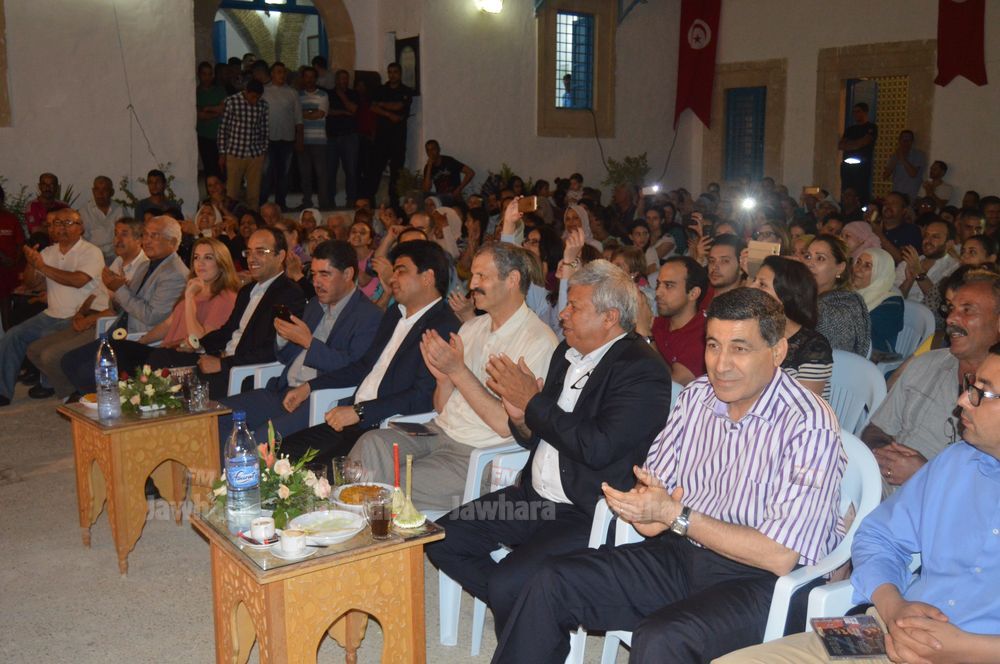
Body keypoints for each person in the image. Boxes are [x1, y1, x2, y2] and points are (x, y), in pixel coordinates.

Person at [492, 288, 845, 663]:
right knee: (550, 580)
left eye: (740, 349)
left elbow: (779, 555)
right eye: (713, 346)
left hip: (763, 582)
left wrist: (676, 515)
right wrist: (647, 507)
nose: (721, 364)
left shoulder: (809, 424)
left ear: (777, 352)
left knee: (662, 637)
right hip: (683, 553)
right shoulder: (697, 397)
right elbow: (653, 522)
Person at [428, 259, 672, 638]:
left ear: (609, 317)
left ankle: (524, 607)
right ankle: (530, 609)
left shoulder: (641, 369)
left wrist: (533, 403)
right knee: (441, 538)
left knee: (511, 582)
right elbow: (534, 436)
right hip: (533, 500)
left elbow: (597, 447)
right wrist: (522, 416)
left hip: (585, 510)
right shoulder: (566, 353)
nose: (563, 313)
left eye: (575, 306)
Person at [717, 344, 1000, 664]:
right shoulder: (957, 462)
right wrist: (893, 606)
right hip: (892, 629)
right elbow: (879, 536)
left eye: (983, 393)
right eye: (971, 386)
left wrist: (964, 648)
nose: (963, 400)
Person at [348, 242, 559, 511]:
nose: (472, 284)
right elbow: (441, 406)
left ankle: (370, 528)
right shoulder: (471, 327)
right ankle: (359, 525)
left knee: (392, 486)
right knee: (370, 446)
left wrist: (458, 371)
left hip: (476, 451)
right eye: (473, 275)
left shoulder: (538, 340)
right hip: (436, 432)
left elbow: (505, 425)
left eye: (482, 276)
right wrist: (444, 379)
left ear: (512, 280)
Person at [277, 240, 460, 467]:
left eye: (401, 271)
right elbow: (363, 366)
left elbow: (421, 396)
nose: (392, 279)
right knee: (281, 456)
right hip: (354, 421)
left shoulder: (444, 326)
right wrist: (310, 386)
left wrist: (361, 412)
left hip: (384, 428)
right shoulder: (394, 314)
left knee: (313, 473)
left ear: (427, 277)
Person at [220, 239, 380, 444]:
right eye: (314, 274)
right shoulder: (314, 305)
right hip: (283, 391)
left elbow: (353, 369)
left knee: (258, 441)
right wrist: (284, 337)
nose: (316, 282)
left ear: (348, 274)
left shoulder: (368, 316)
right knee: (217, 417)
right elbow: (286, 357)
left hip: (318, 400)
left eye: (325, 274)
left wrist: (309, 343)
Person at [862, 269, 1000, 495]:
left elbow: (986, 500)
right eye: (951, 308)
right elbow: (876, 429)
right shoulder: (927, 364)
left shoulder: (995, 400)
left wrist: (925, 475)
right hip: (877, 487)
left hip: (936, 507)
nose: (951, 319)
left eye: (967, 310)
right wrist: (886, 458)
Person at [60, 216, 189, 395]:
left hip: (143, 341)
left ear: (173, 242)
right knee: (69, 360)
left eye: (154, 236)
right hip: (121, 331)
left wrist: (120, 289)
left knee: (85, 370)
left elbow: (151, 316)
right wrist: (115, 289)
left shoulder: (175, 274)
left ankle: (103, 400)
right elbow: (125, 305)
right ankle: (95, 397)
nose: (147, 241)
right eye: (145, 235)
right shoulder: (146, 266)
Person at [27, 218, 148, 398]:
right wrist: (81, 313)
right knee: (34, 349)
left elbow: (122, 311)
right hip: (91, 316)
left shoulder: (143, 268)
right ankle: (74, 390)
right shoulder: (117, 262)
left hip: (109, 324)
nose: (117, 239)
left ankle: (74, 395)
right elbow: (94, 293)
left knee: (51, 356)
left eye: (124, 234)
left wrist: (90, 320)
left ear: (139, 239)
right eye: (116, 234)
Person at [0, 209, 108, 406]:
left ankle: (50, 383)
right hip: (50, 314)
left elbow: (78, 280)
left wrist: (42, 266)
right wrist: (32, 263)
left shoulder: (91, 252)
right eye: (58, 223)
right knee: (12, 336)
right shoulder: (48, 252)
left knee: (45, 339)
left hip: (77, 315)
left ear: (81, 228)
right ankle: (3, 392)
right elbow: (32, 283)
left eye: (68, 223)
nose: (62, 228)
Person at [186, 226, 305, 398]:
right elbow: (228, 331)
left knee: (183, 385)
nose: (251, 258)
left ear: (280, 256)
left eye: (261, 252)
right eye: (248, 252)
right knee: (168, 361)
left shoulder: (289, 293)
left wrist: (223, 364)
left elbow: (272, 349)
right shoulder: (247, 291)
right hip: (225, 361)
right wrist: (198, 344)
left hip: (244, 373)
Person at [750, 255, 833, 399]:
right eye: (754, 281)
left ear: (785, 296)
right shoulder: (752, 333)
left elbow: (803, 405)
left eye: (762, 284)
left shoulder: (814, 347)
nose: (751, 287)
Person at [806, 234, 871, 357]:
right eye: (808, 256)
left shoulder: (846, 305)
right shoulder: (805, 294)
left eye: (820, 258)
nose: (809, 263)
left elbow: (822, 351)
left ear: (840, 268)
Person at [651, 256, 708, 385]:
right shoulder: (660, 322)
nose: (658, 292)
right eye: (658, 284)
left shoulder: (704, 334)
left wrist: (647, 338)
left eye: (669, 285)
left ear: (693, 293)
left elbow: (672, 386)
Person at [218, 79, 269, 211]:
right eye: (253, 97)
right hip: (235, 152)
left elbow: (264, 129)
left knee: (254, 192)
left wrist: (263, 149)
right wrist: (222, 153)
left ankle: (253, 215)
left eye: (258, 98)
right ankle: (231, 216)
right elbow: (223, 129)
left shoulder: (263, 105)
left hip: (255, 153)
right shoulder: (232, 102)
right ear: (246, 92)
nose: (255, 100)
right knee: (232, 191)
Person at [367, 62, 414, 203]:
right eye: (390, 72)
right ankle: (370, 200)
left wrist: (381, 104)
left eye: (395, 72)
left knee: (396, 171)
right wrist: (389, 115)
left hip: (398, 137)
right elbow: (372, 107)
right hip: (382, 136)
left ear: (400, 73)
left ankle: (394, 202)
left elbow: (399, 105)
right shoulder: (380, 89)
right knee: (376, 168)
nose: (392, 75)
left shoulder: (406, 90)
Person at [259, 62, 302, 210]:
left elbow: (298, 118)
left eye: (283, 72)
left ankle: (280, 204)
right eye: (278, 72)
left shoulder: (292, 92)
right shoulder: (264, 91)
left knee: (284, 174)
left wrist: (299, 139)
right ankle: (262, 204)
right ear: (272, 74)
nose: (282, 75)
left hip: (287, 139)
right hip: (268, 140)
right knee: (267, 174)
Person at [894, 218, 958, 305]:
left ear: (949, 243)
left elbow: (939, 303)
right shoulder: (907, 263)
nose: (927, 240)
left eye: (935, 237)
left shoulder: (954, 268)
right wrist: (909, 280)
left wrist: (919, 273)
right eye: (926, 235)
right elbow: (894, 300)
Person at [853, 247, 904, 355]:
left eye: (867, 266)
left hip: (875, 357)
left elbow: (863, 332)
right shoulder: (849, 292)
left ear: (881, 272)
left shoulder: (892, 303)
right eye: (858, 262)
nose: (858, 269)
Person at [296, 66, 329, 211]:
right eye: (306, 76)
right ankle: (307, 203)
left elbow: (320, 114)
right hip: (302, 140)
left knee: (321, 175)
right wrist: (311, 112)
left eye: (312, 77)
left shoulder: (323, 95)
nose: (309, 79)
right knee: (305, 175)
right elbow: (295, 115)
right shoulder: (297, 95)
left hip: (319, 140)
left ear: (316, 79)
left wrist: (303, 113)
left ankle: (324, 204)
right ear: (303, 78)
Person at [838, 102, 877, 203]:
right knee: (846, 189)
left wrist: (850, 144)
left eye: (858, 111)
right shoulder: (850, 129)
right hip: (847, 165)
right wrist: (856, 144)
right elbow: (841, 145)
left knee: (860, 191)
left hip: (862, 165)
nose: (855, 114)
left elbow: (863, 142)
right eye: (854, 112)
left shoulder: (871, 127)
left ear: (865, 112)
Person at [80, 176, 125, 264]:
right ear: (93, 191)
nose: (100, 193)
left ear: (112, 192)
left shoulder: (119, 210)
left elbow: (126, 235)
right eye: (97, 189)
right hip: (91, 257)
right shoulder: (84, 211)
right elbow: (81, 239)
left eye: (105, 189)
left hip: (116, 256)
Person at [0, 184, 25, 330]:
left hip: (10, 269)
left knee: (9, 305)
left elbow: (20, 243)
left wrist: (14, 260)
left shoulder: (11, 219)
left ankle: (9, 335)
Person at [196, 61, 227, 180]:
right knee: (210, 170)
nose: (207, 77)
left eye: (210, 74)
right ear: (199, 75)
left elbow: (224, 108)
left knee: (224, 169)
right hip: (205, 137)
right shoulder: (196, 93)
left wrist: (207, 109)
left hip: (222, 136)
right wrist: (217, 111)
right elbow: (200, 115)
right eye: (204, 74)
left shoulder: (220, 90)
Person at [880, 129, 925, 201]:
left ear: (912, 141)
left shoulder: (918, 155)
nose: (905, 142)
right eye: (903, 139)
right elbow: (885, 176)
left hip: (912, 195)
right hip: (897, 194)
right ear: (899, 140)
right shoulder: (894, 156)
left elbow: (913, 174)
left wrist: (902, 159)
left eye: (908, 140)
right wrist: (895, 160)